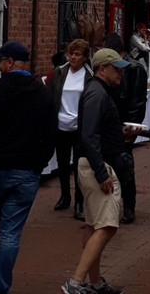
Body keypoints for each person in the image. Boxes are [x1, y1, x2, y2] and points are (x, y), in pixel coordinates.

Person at [0, 40, 56, 294]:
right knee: (10, 234)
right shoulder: (42, 93)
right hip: (25, 172)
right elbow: (51, 134)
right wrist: (38, 165)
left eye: (0, 61)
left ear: (10, 63)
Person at [61, 48, 134, 294]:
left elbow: (95, 131)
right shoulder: (96, 93)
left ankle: (94, 282)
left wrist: (119, 133)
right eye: (117, 68)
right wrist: (101, 173)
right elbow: (88, 135)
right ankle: (76, 282)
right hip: (97, 165)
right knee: (108, 225)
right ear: (103, 68)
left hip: (96, 161)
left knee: (94, 225)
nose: (121, 73)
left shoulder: (99, 91)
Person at [103, 32, 147, 224]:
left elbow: (137, 102)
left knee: (125, 165)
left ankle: (129, 206)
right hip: (110, 125)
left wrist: (129, 128)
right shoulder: (107, 70)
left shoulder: (134, 69)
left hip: (123, 126)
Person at [50, 38, 92, 219]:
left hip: (79, 125)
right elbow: (52, 95)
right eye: (71, 54)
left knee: (79, 165)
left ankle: (79, 201)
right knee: (62, 162)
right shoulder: (60, 72)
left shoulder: (89, 75)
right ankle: (64, 195)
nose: (73, 57)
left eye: (77, 55)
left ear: (84, 57)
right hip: (61, 123)